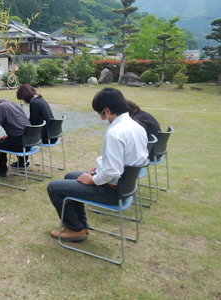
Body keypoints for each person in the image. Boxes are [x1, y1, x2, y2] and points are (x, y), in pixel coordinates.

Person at [47, 88, 148, 242]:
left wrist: (93, 180)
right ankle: (82, 225)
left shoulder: (115, 133)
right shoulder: (136, 127)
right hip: (125, 186)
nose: (101, 118)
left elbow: (113, 172)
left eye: (100, 114)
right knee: (70, 177)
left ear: (106, 111)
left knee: (53, 187)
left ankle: (75, 229)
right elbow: (127, 158)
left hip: (112, 190)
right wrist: (101, 166)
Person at [0, 97, 30, 179]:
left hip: (19, 143)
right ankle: (1, 168)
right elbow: (22, 123)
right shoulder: (14, 104)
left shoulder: (1, 107)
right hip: (28, 140)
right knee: (2, 142)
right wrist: (8, 136)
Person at [13, 84, 55, 168]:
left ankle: (22, 162)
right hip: (52, 134)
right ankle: (24, 161)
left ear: (25, 96)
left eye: (22, 98)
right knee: (25, 134)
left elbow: (32, 122)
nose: (23, 101)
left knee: (19, 137)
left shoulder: (34, 103)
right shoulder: (40, 100)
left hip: (45, 136)